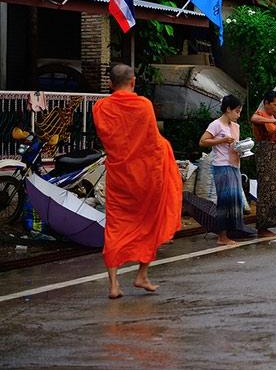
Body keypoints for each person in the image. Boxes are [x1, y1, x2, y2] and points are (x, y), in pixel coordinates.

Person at [92, 64, 182, 299]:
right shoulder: (143, 104)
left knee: (115, 227)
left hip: (119, 177)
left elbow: (110, 139)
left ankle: (113, 285)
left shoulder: (100, 107)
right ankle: (141, 274)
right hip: (147, 177)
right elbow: (152, 141)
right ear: (133, 81)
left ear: (110, 84)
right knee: (151, 223)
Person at [199, 94, 249, 246]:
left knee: (234, 200)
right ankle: (222, 235)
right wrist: (221, 140)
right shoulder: (216, 125)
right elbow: (202, 141)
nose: (238, 115)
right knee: (225, 201)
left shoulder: (235, 126)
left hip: (234, 165)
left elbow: (235, 145)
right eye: (237, 111)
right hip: (221, 165)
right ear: (228, 109)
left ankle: (231, 231)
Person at [250, 91, 276, 238]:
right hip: (266, 155)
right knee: (266, 190)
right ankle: (263, 226)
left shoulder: (275, 117)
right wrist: (271, 122)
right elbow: (253, 118)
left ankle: (273, 223)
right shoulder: (260, 114)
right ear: (266, 103)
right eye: (275, 105)